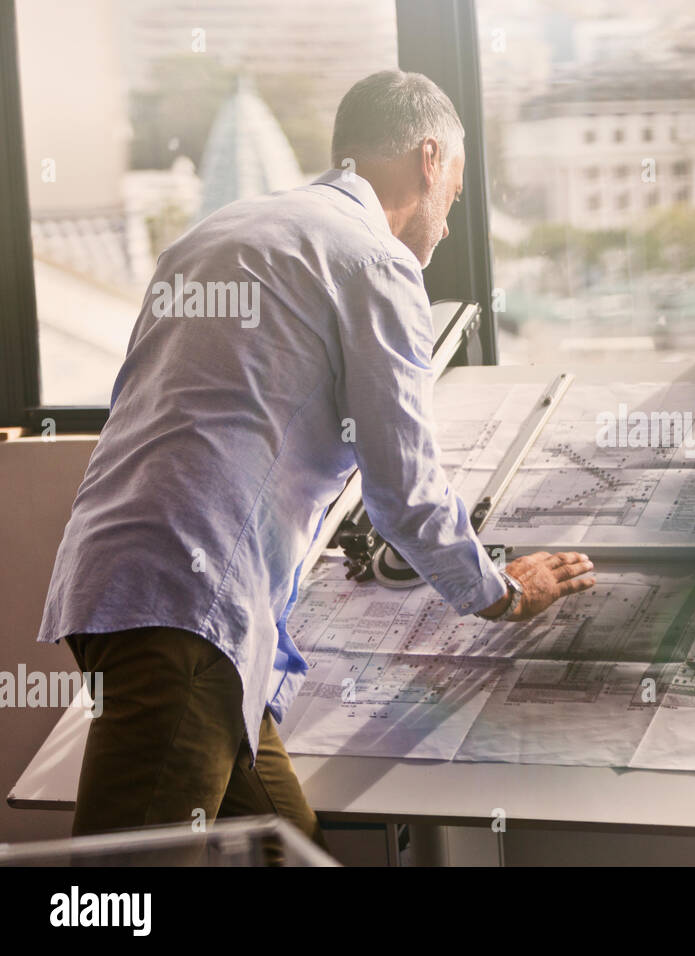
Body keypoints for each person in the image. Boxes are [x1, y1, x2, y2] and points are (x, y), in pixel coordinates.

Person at [35, 70, 595, 854]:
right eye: (456, 196)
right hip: (191, 608)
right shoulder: (374, 263)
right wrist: (501, 592)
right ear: (431, 160)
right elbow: (404, 490)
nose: (445, 224)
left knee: (284, 841)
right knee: (120, 887)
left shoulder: (216, 233)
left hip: (120, 583)